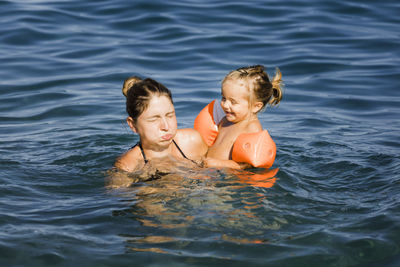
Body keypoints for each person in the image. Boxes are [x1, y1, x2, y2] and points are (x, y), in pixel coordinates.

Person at [114, 76, 208, 173]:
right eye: (154, 119)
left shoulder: (192, 142)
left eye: (170, 115)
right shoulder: (128, 166)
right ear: (133, 125)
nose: (166, 127)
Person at [204, 65, 283, 169]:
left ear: (256, 106)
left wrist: (218, 164)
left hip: (227, 180)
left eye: (233, 102)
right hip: (209, 169)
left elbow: (247, 165)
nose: (225, 105)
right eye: (223, 98)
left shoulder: (252, 127)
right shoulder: (225, 120)